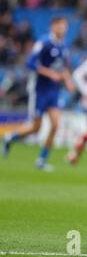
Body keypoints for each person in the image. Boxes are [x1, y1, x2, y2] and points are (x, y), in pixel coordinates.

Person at [2, 16, 74, 171]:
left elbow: (64, 67)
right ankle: (9, 138)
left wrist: (68, 81)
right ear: (53, 26)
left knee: (55, 124)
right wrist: (49, 74)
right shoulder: (44, 42)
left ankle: (42, 160)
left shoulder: (64, 46)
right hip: (39, 90)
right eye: (61, 25)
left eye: (65, 26)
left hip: (53, 91)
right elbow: (30, 62)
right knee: (36, 127)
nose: (63, 29)